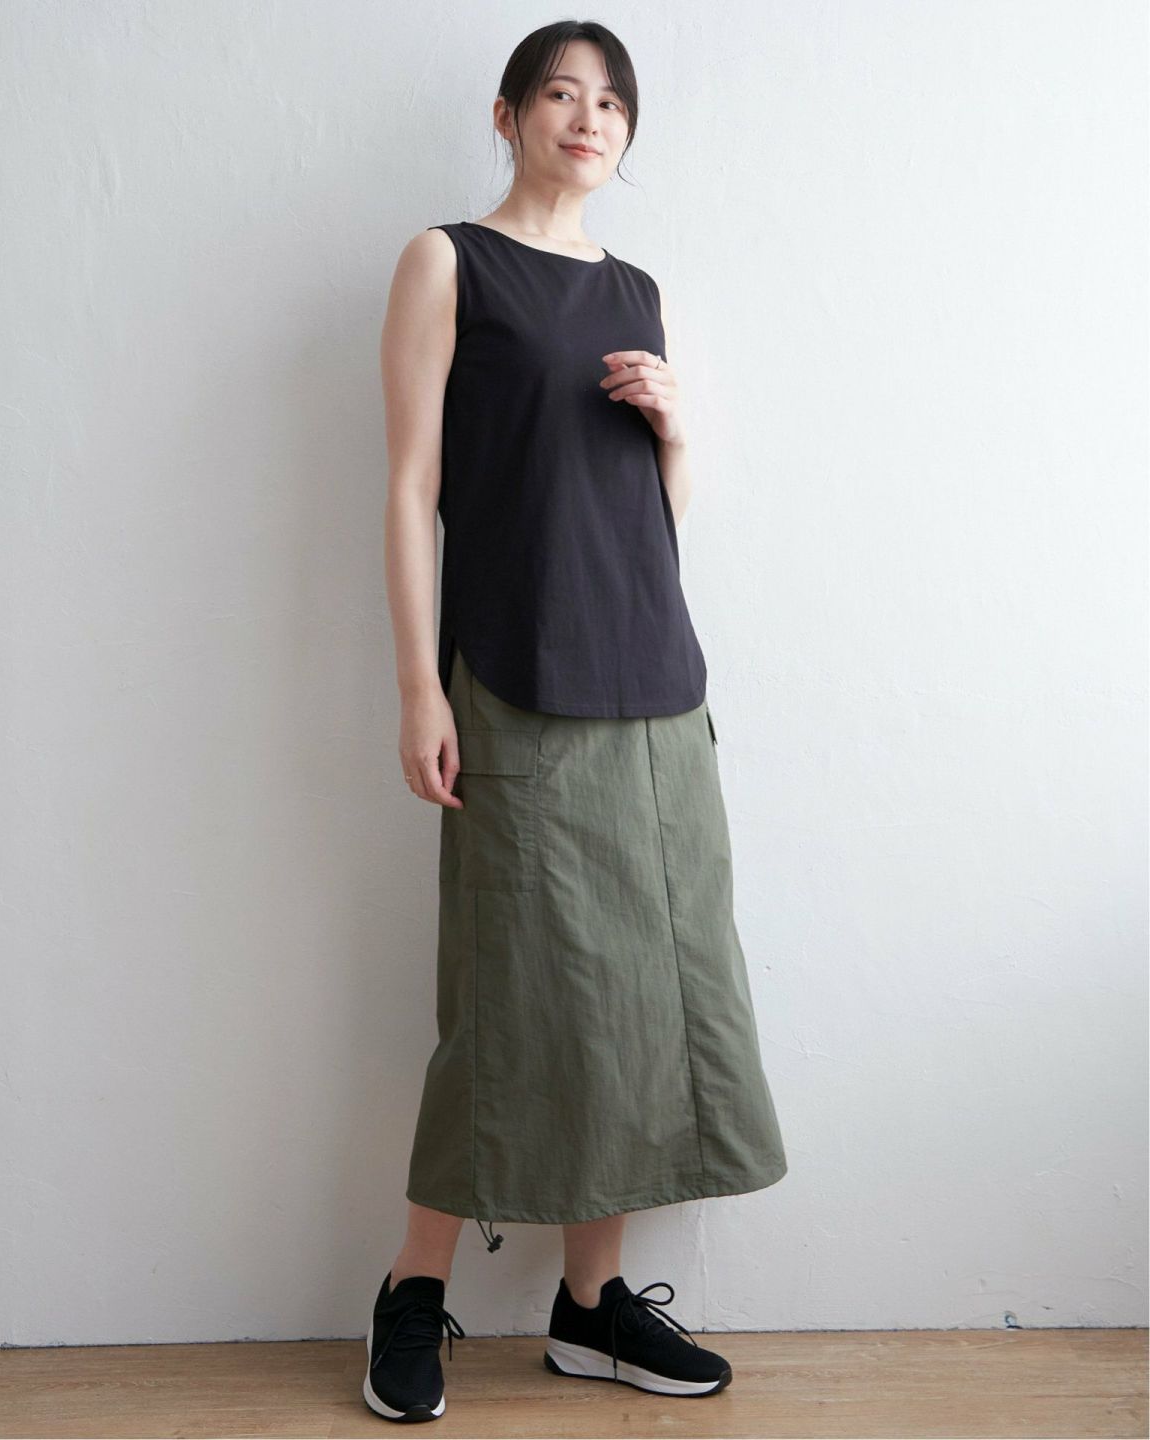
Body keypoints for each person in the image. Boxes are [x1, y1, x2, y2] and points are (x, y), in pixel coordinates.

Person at [368, 19, 788, 1424]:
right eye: (560, 92)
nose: (588, 117)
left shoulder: (636, 290)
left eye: (611, 101)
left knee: (648, 996)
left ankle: (590, 1307)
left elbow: (650, 523)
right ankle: (412, 1290)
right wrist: (420, 685)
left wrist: (678, 433)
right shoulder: (448, 262)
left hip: (655, 678)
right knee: (506, 996)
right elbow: (411, 483)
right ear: (508, 116)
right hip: (515, 671)